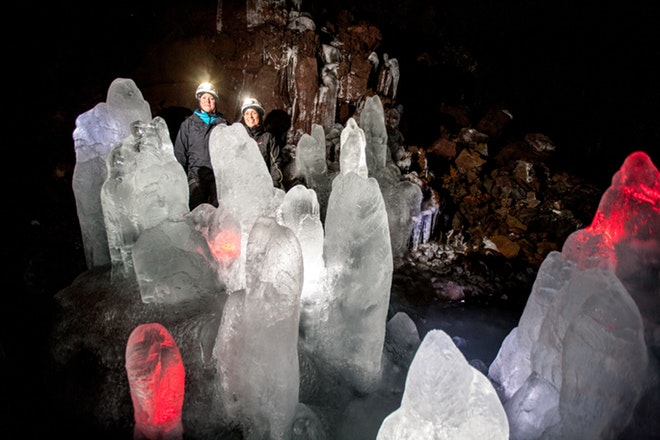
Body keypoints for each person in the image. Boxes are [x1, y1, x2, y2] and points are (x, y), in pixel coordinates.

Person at [174, 82, 227, 210]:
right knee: (196, 213)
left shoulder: (223, 125)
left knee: (220, 214)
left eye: (211, 98)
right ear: (199, 100)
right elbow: (180, 153)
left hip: (217, 176)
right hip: (196, 174)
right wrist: (178, 179)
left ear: (215, 101)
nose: (207, 101)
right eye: (204, 97)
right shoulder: (188, 124)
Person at [239, 97, 283, 188]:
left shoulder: (268, 137)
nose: (250, 117)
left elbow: (275, 164)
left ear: (259, 115)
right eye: (247, 113)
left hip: (263, 186)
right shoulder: (239, 137)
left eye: (253, 113)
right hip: (244, 187)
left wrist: (274, 186)